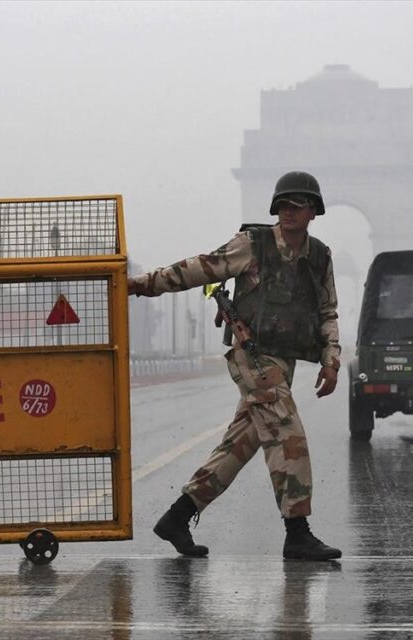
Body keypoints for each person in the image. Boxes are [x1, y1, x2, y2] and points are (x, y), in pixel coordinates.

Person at [128, 171, 342, 561]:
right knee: (287, 434)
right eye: (282, 206)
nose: (287, 212)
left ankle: (178, 516)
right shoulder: (253, 244)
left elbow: (327, 310)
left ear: (313, 211)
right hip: (253, 356)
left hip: (285, 360)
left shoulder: (319, 256)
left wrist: (332, 361)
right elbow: (200, 268)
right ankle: (297, 532)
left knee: (240, 444)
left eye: (296, 206)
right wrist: (143, 284)